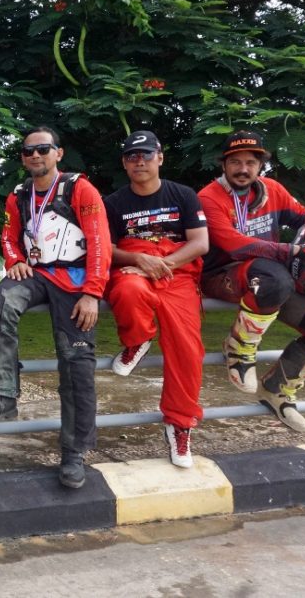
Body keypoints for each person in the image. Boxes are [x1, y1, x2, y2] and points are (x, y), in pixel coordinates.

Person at [0, 127, 111, 489]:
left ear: (58, 153)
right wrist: (14, 259)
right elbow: (8, 235)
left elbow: (99, 240)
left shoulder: (80, 189)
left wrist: (93, 292)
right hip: (35, 274)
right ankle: (2, 395)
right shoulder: (18, 195)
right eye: (28, 151)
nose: (35, 155)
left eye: (43, 149)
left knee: (76, 362)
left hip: (76, 280)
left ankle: (74, 452)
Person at [198, 130, 305, 432]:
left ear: (260, 165)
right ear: (223, 165)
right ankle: (238, 349)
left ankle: (277, 389)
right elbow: (235, 245)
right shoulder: (208, 197)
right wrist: (293, 251)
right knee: (274, 277)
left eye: (250, 162)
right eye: (235, 162)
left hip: (271, 279)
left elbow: (304, 216)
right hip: (223, 274)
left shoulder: (273, 190)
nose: (243, 169)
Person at [103, 131, 209, 468]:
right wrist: (139, 260)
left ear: (160, 157)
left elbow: (200, 243)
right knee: (126, 292)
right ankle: (138, 340)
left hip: (176, 274)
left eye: (146, 155)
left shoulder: (183, 195)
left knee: (187, 350)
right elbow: (106, 249)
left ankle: (180, 425)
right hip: (134, 268)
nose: (140, 162)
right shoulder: (113, 203)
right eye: (132, 157)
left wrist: (160, 266)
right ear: (124, 163)